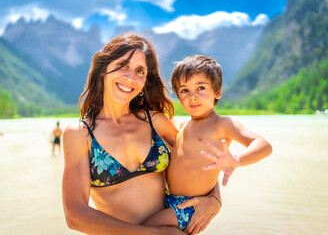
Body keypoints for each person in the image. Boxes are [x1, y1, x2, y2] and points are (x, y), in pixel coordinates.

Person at [62, 34, 222, 235]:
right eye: (122, 65)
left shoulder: (155, 122)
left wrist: (215, 199)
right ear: (103, 70)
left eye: (140, 71)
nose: (130, 77)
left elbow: (197, 157)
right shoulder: (80, 134)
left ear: (145, 81)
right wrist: (153, 234)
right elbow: (75, 215)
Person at [142, 55, 272, 231]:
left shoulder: (223, 124)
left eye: (200, 88)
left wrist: (236, 160)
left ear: (217, 92)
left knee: (142, 229)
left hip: (189, 205)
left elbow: (263, 144)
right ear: (179, 98)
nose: (193, 96)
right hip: (168, 199)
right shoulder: (183, 125)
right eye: (184, 91)